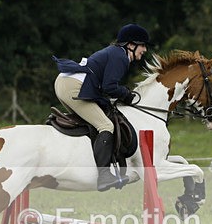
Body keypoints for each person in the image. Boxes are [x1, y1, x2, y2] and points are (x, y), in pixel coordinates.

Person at [53, 24, 150, 191]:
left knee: (92, 124)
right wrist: (126, 94)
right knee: (106, 125)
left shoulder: (114, 53)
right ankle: (104, 176)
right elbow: (109, 87)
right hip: (74, 86)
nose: (145, 49)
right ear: (131, 45)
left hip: (65, 82)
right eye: (142, 45)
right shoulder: (120, 56)